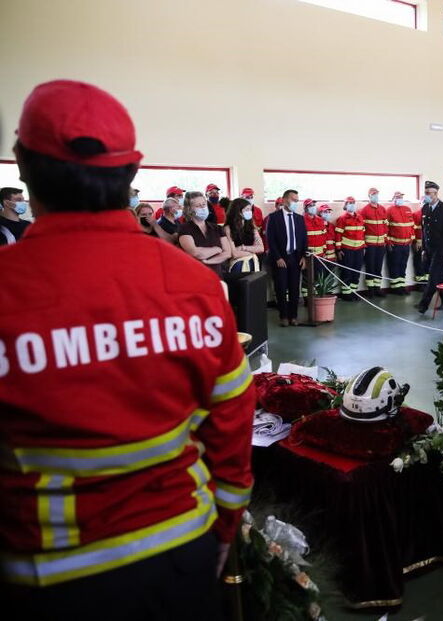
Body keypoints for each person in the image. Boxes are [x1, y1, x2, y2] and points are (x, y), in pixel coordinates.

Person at [0, 79, 253, 619]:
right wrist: (226, 523)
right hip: (184, 547)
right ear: (132, 172)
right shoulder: (195, 284)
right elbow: (232, 419)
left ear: (22, 162)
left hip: (49, 570)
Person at [265, 190, 307, 325]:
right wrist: (277, 257)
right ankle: (283, 316)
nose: (295, 202)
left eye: (297, 200)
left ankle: (293, 316)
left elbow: (304, 239)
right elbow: (270, 240)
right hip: (280, 258)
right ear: (284, 200)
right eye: (293, 199)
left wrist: (304, 256)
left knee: (295, 288)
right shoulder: (274, 217)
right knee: (281, 288)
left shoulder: (299, 218)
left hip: (296, 258)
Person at [416, 181, 443, 314]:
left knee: (433, 276)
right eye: (425, 193)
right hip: (429, 249)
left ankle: (423, 304)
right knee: (441, 277)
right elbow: (424, 230)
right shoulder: (425, 208)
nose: (426, 195)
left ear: (435, 194)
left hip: (441, 249)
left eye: (428, 193)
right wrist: (423, 249)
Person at [178, 191, 231, 276]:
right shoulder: (184, 228)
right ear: (189, 209)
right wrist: (217, 249)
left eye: (204, 204)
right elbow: (196, 253)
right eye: (198, 206)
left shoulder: (217, 228)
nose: (202, 208)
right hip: (195, 275)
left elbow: (227, 253)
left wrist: (208, 261)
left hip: (217, 275)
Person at [334, 196, 366, 300]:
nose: (352, 204)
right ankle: (346, 294)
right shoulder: (342, 219)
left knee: (356, 272)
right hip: (347, 250)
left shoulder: (360, 217)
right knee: (347, 272)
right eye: (349, 203)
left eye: (353, 202)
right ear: (345, 205)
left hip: (359, 250)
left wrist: (363, 246)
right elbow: (338, 235)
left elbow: (362, 233)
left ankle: (353, 292)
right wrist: (338, 249)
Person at [359, 188, 387, 296]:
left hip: (381, 244)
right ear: (369, 196)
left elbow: (385, 226)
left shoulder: (382, 209)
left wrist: (385, 240)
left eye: (377, 194)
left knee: (378, 266)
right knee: (370, 266)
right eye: (373, 195)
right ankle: (370, 289)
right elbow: (362, 228)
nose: (376, 196)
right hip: (370, 245)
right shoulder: (364, 210)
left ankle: (377, 288)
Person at [224, 197, 264, 273]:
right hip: (238, 264)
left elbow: (261, 248)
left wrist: (243, 247)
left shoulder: (252, 227)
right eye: (247, 210)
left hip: (253, 262)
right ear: (238, 211)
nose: (250, 212)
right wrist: (253, 251)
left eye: (250, 210)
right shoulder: (228, 228)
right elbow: (234, 254)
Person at [386, 191, 415, 294]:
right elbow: (386, 228)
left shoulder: (407, 209)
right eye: (398, 197)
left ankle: (402, 285)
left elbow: (412, 225)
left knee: (403, 265)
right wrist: (388, 242)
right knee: (394, 265)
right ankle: (395, 288)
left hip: (406, 244)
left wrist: (412, 237)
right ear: (393, 198)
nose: (400, 199)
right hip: (395, 244)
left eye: (401, 197)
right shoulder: (389, 210)